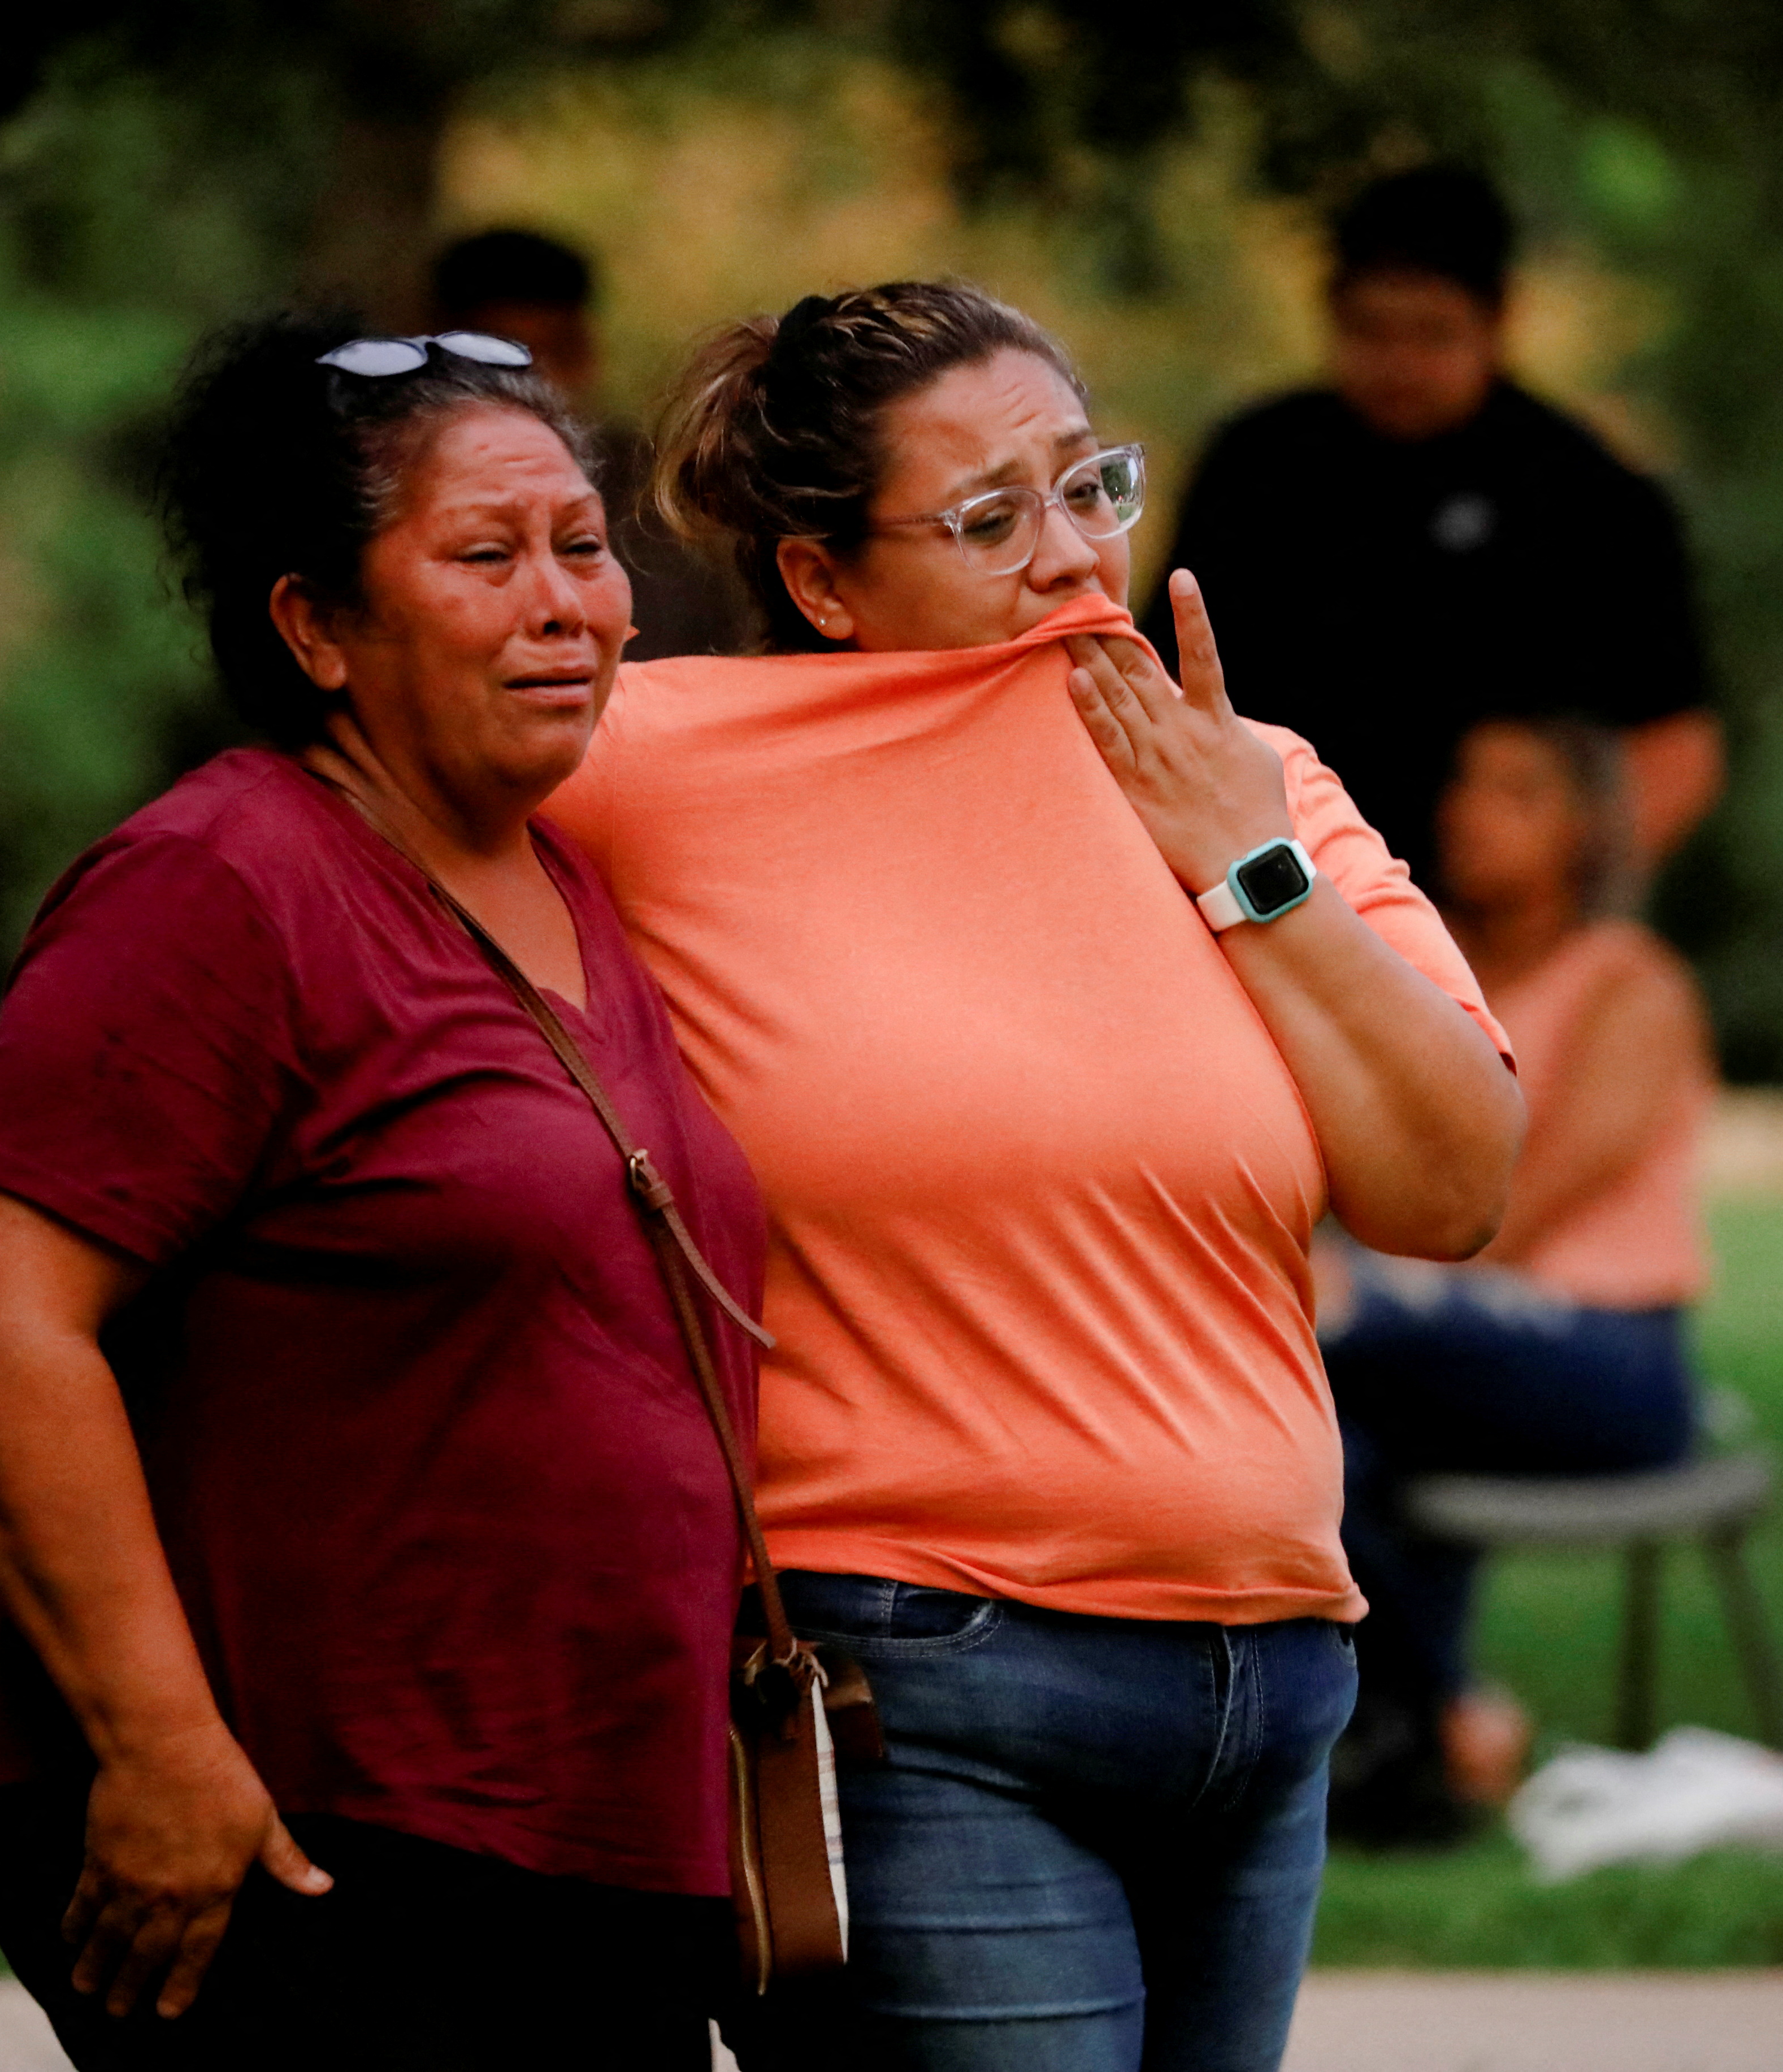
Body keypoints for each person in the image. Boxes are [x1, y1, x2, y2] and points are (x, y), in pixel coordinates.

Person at [544, 281, 1526, 2071]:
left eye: (1091, 486)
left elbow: (1451, 1185)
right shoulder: (655, 767)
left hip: (1273, 1667)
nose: (1074, 556)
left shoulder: (1254, 777)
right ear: (824, 581)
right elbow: (350, 801)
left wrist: (1247, 866)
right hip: (926, 1669)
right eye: (991, 517)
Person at [0, 316, 764, 2071]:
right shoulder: (223, 881)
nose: (567, 601)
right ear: (315, 627)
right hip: (324, 1837)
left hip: (585, 1839)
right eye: (484, 554)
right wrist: (160, 1746)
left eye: (584, 545)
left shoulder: (568, 879)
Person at [1318, 715, 1717, 1847]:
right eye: (1462, 781)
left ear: (1587, 829)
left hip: (1610, 1363)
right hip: (1434, 1347)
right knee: (1323, 1442)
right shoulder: (1414, 963)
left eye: (1514, 791)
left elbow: (1504, 1205)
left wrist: (1363, 1279)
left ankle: (1437, 1714)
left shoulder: (1628, 987)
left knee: (1312, 1342)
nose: (1463, 808)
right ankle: (1424, 1734)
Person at [1141, 164, 1724, 883]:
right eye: (1373, 331)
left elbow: (1674, 744)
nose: (1401, 364)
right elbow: (1160, 683)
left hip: (1484, 926)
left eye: (1433, 334)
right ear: (1333, 312)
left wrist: (1562, 911)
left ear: (1497, 318)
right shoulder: (1257, 465)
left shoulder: (1589, 494)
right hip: (1263, 885)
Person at [433, 227, 757, 658]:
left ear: (587, 352)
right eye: (501, 365)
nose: (537, 387)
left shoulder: (661, 501)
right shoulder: (397, 493)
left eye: (557, 356)